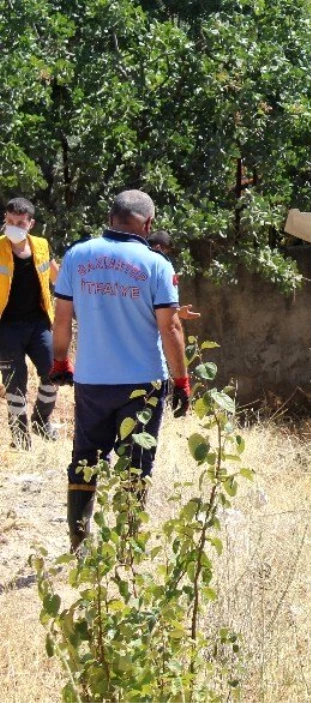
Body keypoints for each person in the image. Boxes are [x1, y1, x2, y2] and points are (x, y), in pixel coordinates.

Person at [49, 190, 191, 551]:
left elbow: (61, 319)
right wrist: (182, 380)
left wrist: (61, 362)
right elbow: (171, 328)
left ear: (111, 218)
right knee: (136, 464)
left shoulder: (77, 255)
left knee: (85, 459)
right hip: (142, 383)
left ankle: (79, 545)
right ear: (148, 224)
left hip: (92, 380)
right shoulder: (157, 264)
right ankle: (128, 549)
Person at [0, 198, 62, 448]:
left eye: (20, 223)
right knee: (15, 382)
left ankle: (41, 420)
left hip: (38, 323)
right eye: (10, 221)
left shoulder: (41, 245)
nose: (14, 226)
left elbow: (57, 276)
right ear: (5, 218)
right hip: (6, 326)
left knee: (53, 374)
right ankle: (20, 435)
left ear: (31, 224)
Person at [147, 230, 200, 322]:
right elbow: (166, 321)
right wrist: (174, 314)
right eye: (166, 253)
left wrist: (177, 313)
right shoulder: (162, 270)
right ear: (158, 248)